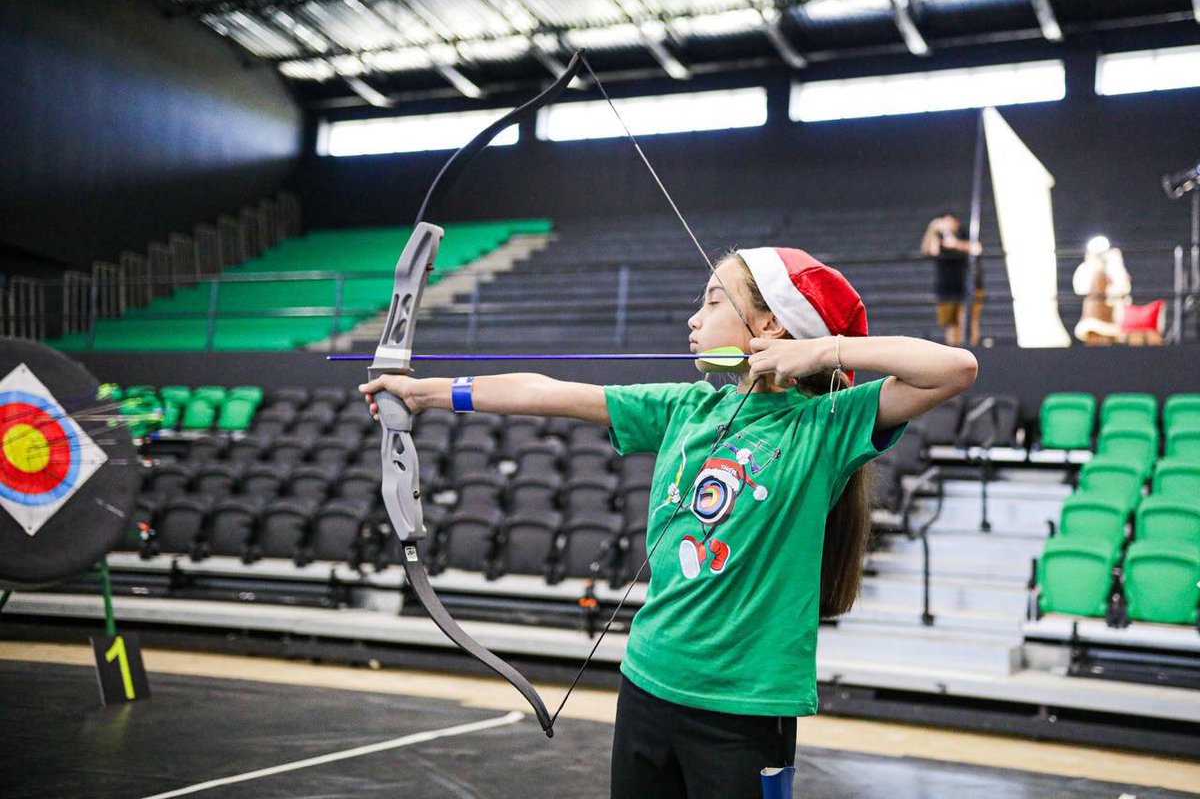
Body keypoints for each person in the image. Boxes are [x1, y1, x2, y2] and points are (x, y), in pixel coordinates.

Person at [360, 247, 978, 799]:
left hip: (743, 702)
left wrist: (823, 350)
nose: (694, 319)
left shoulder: (825, 425)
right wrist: (425, 393)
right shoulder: (687, 406)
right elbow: (545, 392)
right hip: (648, 680)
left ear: (769, 324)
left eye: (713, 300)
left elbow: (956, 368)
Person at [921, 212, 983, 346]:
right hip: (947, 287)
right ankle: (953, 349)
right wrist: (933, 230)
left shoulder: (964, 234)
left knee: (968, 320)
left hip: (967, 285)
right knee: (950, 324)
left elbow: (977, 248)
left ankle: (972, 348)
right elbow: (930, 251)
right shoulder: (938, 237)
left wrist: (955, 244)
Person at [1072, 236, 1131, 345]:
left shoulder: (1115, 268)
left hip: (1111, 316)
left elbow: (1122, 289)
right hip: (1092, 314)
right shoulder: (1088, 269)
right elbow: (1080, 289)